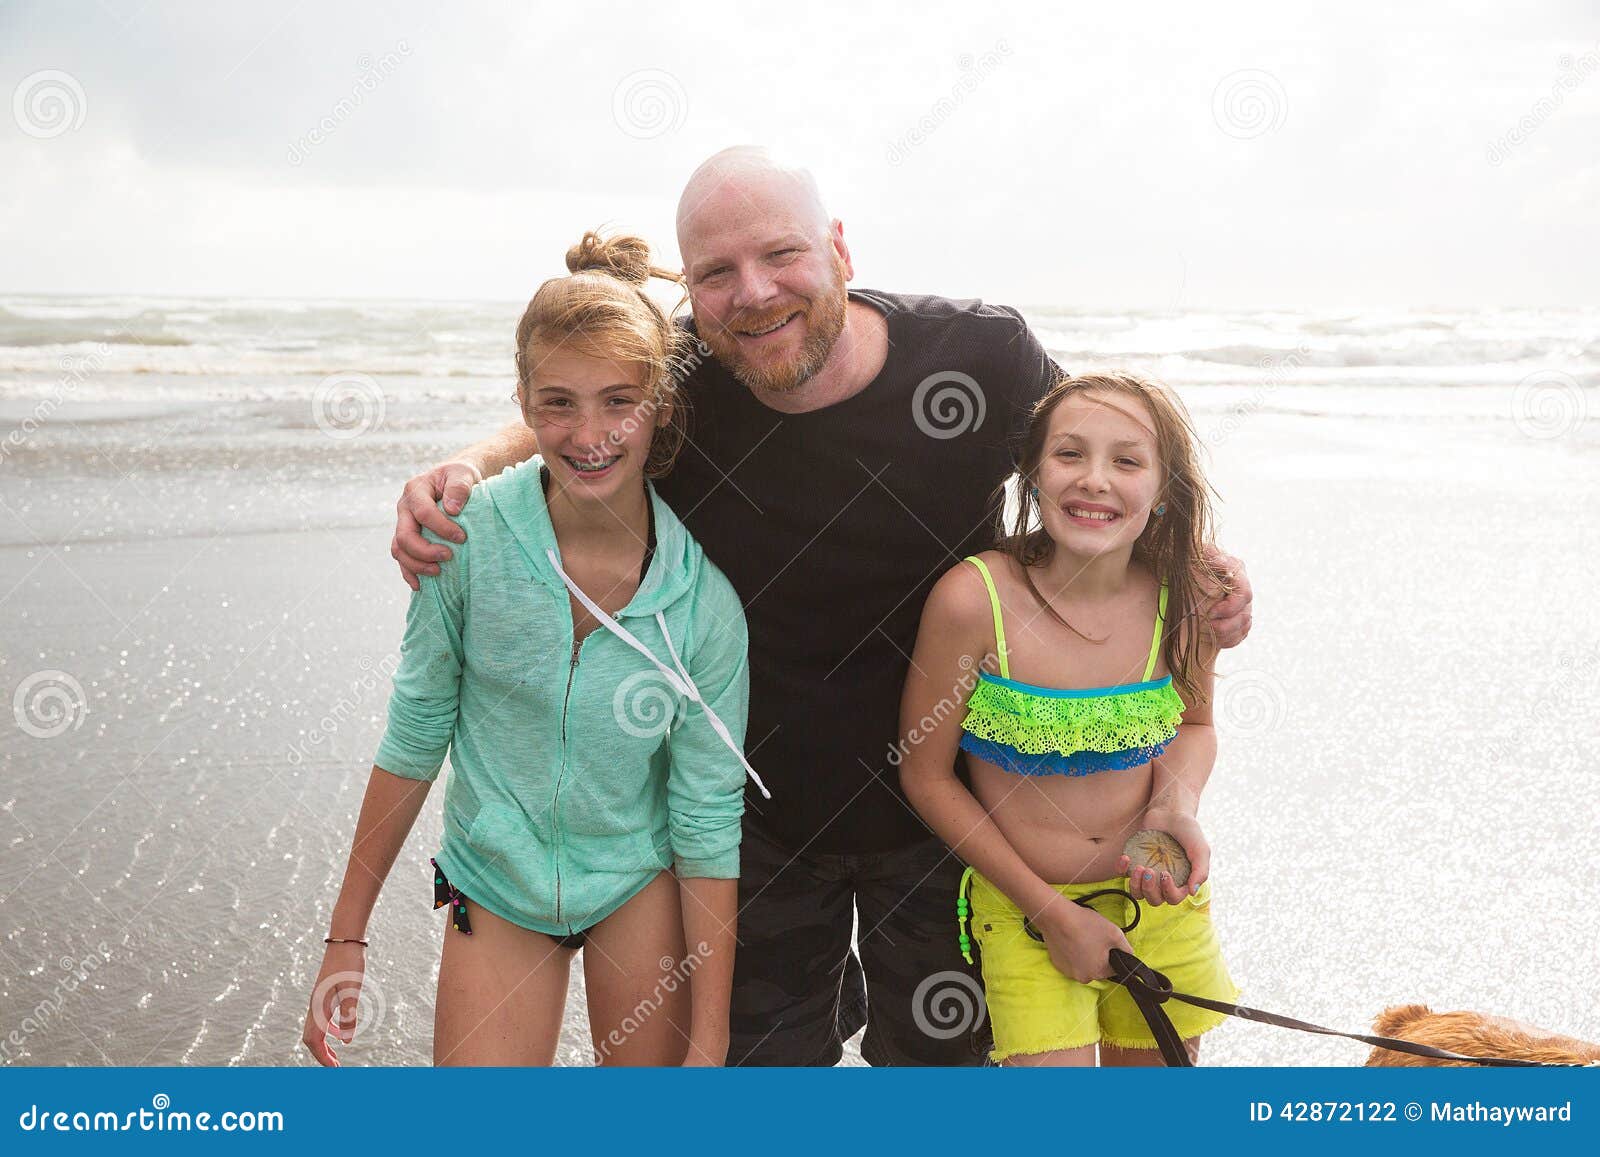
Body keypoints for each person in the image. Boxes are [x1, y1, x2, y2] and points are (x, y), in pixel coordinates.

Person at [389, 147, 1255, 1065]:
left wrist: (1191, 560)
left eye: (780, 255)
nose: (753, 293)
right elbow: (586, 408)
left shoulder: (978, 356)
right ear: (691, 290)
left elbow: (1102, 445)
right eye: (716, 273)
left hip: (949, 823)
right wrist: (468, 468)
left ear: (841, 250)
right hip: (760, 824)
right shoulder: (690, 383)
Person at [303, 232, 757, 1067]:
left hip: (638, 881)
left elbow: (704, 820)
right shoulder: (465, 544)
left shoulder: (704, 607)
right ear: (520, 400)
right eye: (558, 403)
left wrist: (710, 1043)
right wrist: (346, 937)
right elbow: (414, 737)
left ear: (659, 400)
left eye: (619, 400)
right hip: (497, 878)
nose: (590, 435)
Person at [899, 371, 1240, 1065]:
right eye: (1069, 454)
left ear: (1163, 492)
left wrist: (1174, 807)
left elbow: (1196, 725)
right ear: (1031, 475)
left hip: (1159, 901)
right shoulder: (975, 600)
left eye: (1127, 460)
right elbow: (925, 775)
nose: (1095, 479)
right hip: (1028, 915)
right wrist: (1052, 914)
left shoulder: (1185, 599)